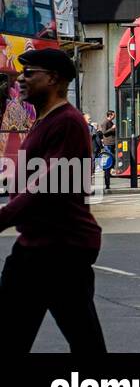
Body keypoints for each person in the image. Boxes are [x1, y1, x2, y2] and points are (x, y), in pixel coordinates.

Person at [0, 49, 106, 353]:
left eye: (30, 72)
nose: (21, 78)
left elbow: (47, 187)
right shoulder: (47, 120)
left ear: (54, 79)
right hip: (42, 247)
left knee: (83, 341)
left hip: (59, 251)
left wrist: (4, 216)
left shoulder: (67, 122)